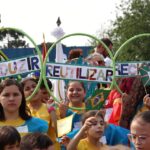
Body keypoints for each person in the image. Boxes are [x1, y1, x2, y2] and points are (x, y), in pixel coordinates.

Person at [21, 77, 60, 150]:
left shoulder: (51, 108)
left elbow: (59, 132)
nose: (32, 90)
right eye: (27, 89)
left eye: (34, 86)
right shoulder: (22, 111)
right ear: (22, 94)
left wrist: (51, 111)